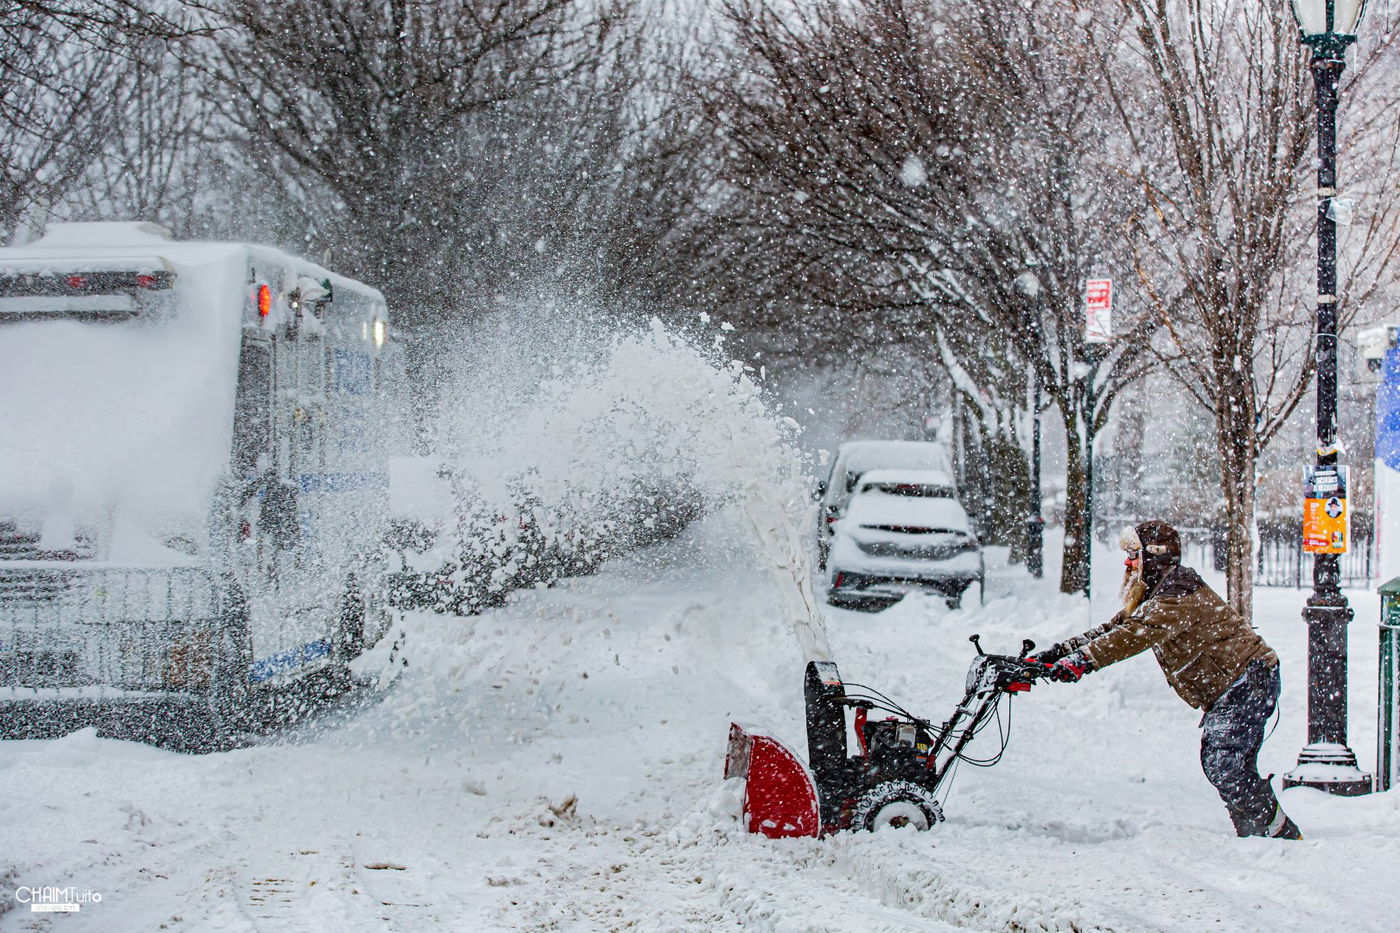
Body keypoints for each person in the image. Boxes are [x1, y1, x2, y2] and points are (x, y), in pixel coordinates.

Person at [1033, 520, 1302, 840]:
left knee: (1224, 763)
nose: (1127, 562)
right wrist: (1059, 653)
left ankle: (1277, 833)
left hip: (1248, 682)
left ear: (1154, 556)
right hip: (1237, 685)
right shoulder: (1161, 592)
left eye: (1134, 554)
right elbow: (1115, 628)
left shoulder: (1177, 595)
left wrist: (1082, 662)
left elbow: (1131, 635)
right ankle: (1257, 832)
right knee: (1222, 763)